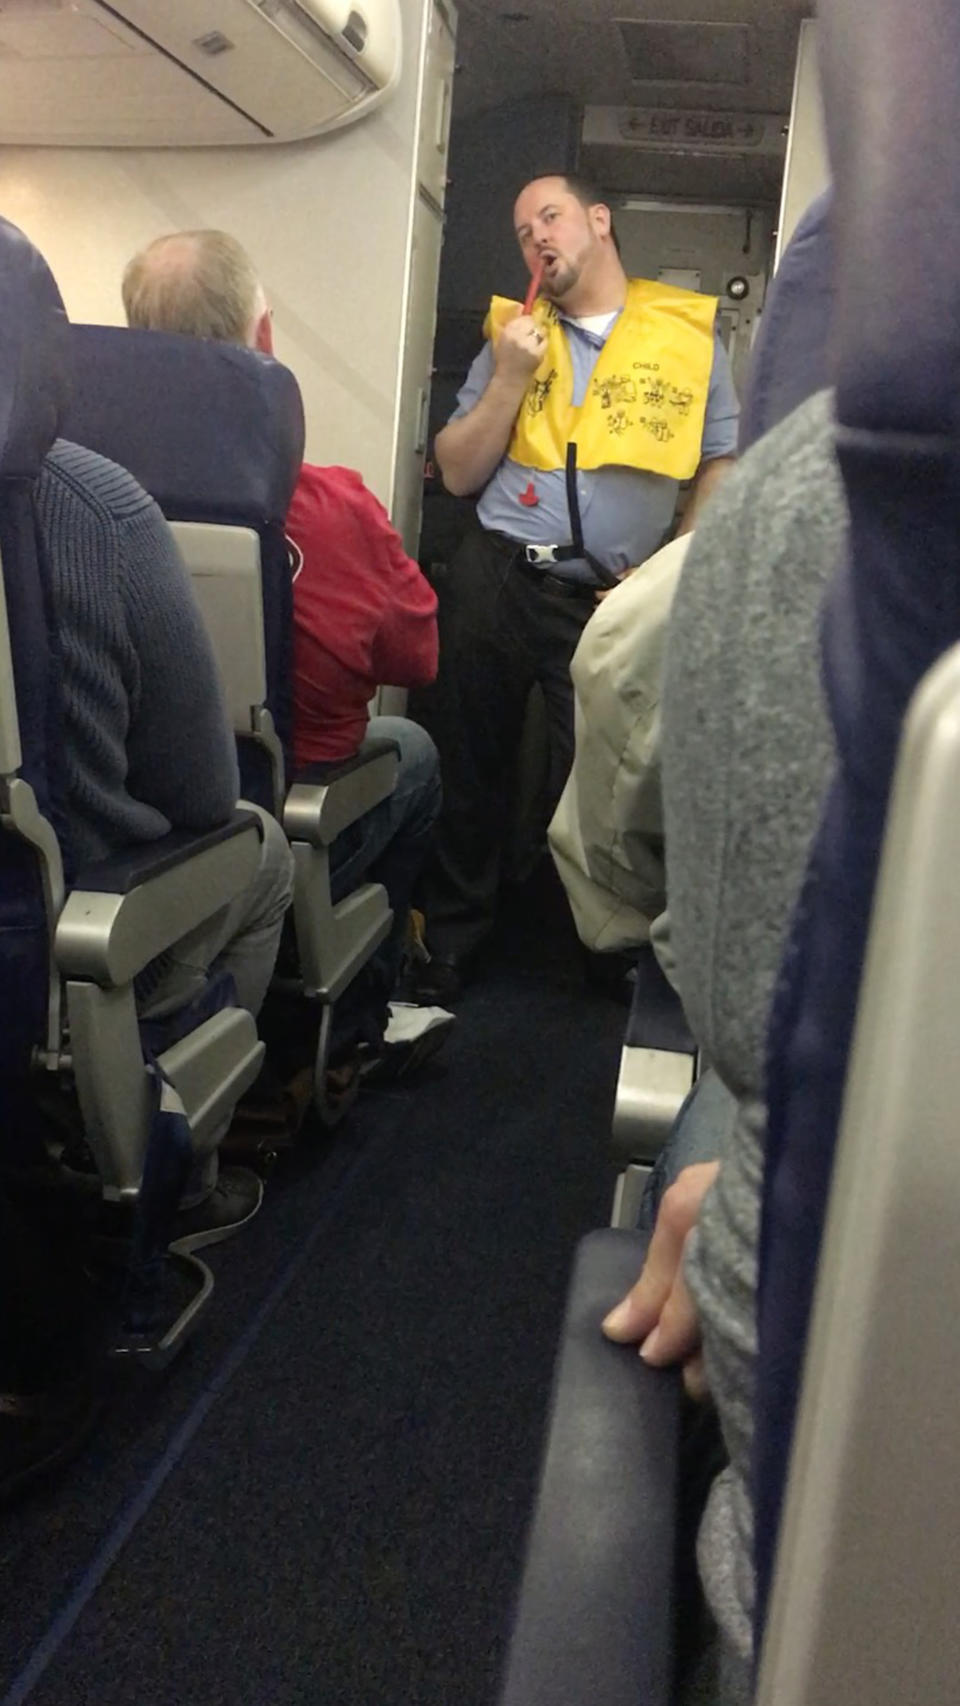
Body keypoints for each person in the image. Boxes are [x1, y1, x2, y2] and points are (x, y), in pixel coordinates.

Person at [601, 389, 846, 1701]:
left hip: (818, 1613)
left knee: (708, 1127)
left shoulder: (796, 501)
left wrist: (774, 1189)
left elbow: (745, 1003)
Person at [120, 229, 453, 1072]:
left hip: (133, 814)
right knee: (412, 751)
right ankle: (364, 1011)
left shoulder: (85, 493)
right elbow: (418, 661)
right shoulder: (331, 505)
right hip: (292, 805)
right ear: (262, 342)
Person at [412, 173, 739, 998]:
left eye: (549, 218)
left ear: (598, 221)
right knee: (469, 753)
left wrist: (668, 582)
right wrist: (509, 380)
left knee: (603, 780)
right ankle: (452, 936)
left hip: (606, 595)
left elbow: (717, 468)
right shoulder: (514, 336)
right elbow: (455, 472)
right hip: (497, 570)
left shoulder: (690, 342)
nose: (537, 240)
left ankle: (600, 949)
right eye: (523, 233)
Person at [36, 436, 296, 1242]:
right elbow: (201, 789)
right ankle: (180, 1168)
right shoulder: (91, 506)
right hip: (67, 952)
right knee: (263, 845)